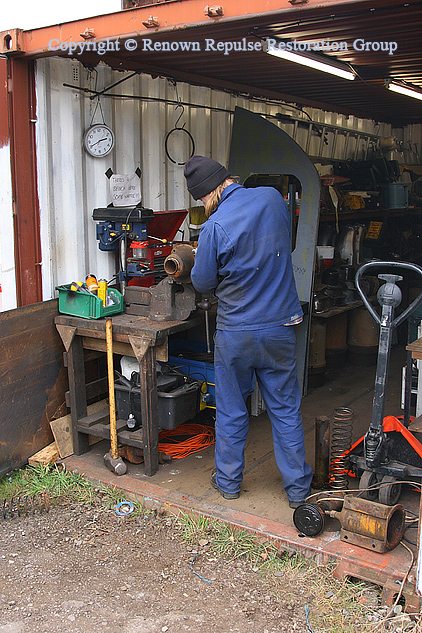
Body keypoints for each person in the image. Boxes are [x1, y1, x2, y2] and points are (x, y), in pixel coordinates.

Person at [184, 155, 313, 508]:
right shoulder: (272, 198)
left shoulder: (214, 227)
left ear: (207, 194)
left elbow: (203, 282)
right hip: (280, 325)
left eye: (200, 200)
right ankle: (298, 490)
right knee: (285, 408)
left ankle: (228, 484)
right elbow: (277, 243)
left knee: (231, 410)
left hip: (236, 332)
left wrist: (200, 254)